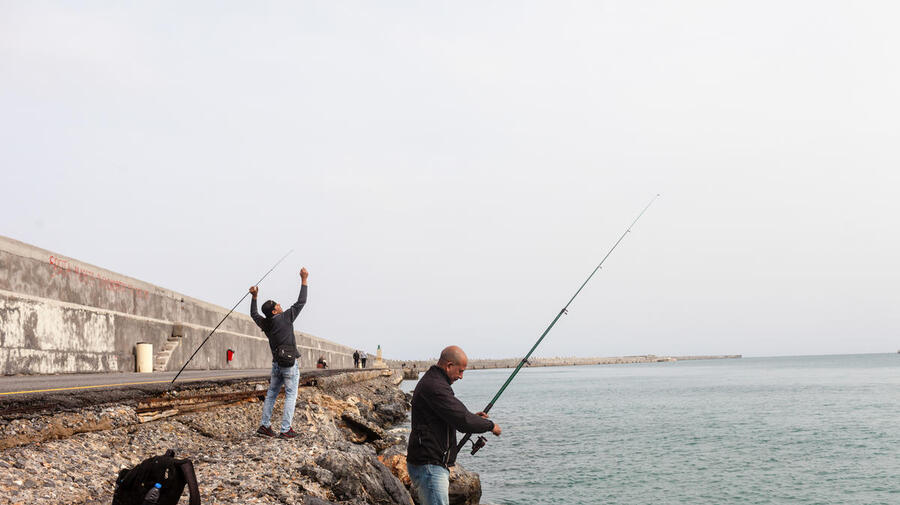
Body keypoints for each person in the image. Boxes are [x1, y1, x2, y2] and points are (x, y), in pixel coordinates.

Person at [407, 346, 502, 505]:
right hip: (429, 465)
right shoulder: (435, 386)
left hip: (430, 462)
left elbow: (454, 415)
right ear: (449, 366)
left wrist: (473, 418)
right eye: (460, 371)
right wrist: (490, 426)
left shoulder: (435, 382)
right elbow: (463, 421)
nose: (461, 376)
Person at [249, 268, 309, 439]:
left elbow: (254, 314)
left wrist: (254, 297)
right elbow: (302, 301)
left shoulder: (265, 324)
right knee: (291, 395)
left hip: (276, 364)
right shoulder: (286, 317)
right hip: (289, 365)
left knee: (271, 394)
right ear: (275, 311)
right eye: (277, 305)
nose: (280, 305)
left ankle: (265, 426)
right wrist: (304, 279)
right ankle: (285, 429)